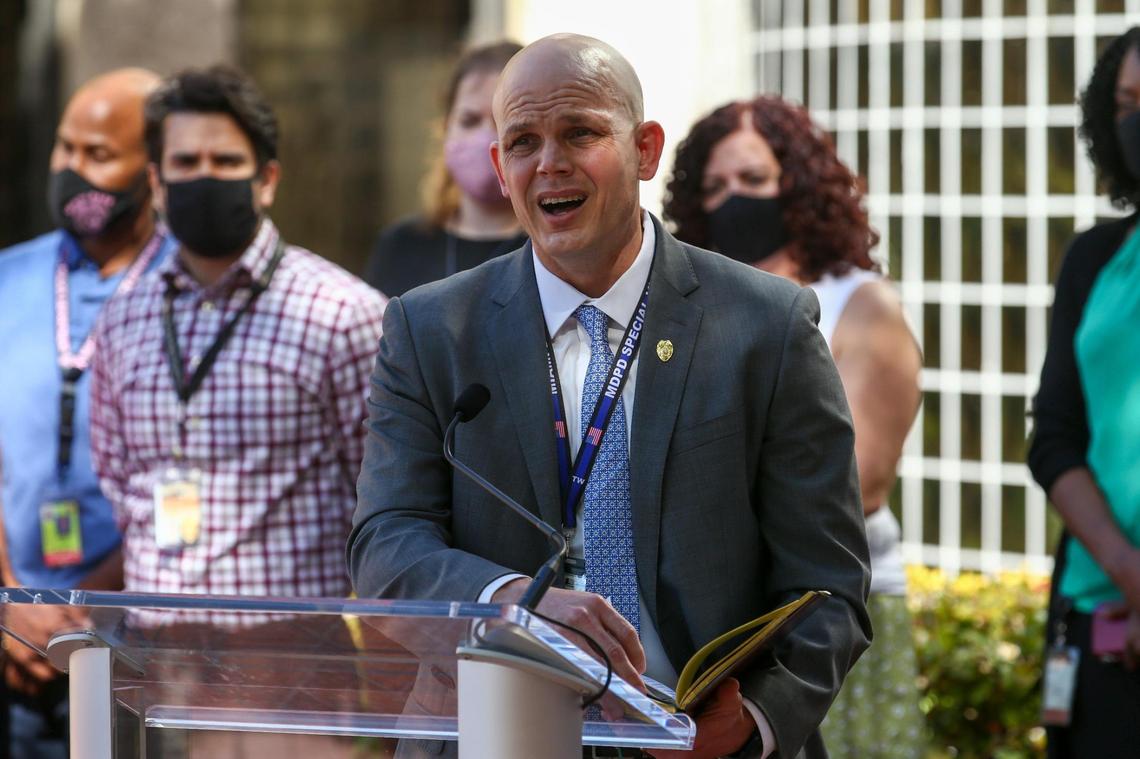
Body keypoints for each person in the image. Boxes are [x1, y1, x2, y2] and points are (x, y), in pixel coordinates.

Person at [349, 34, 871, 759]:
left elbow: (831, 584)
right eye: (524, 142)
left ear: (646, 150)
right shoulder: (430, 327)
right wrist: (513, 606)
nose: (551, 163)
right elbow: (385, 545)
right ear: (500, 168)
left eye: (581, 132)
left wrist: (751, 717)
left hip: (699, 740)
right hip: (495, 731)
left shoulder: (766, 324)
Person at [664, 95, 925, 758]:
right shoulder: (688, 308)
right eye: (715, 186)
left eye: (754, 180)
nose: (735, 200)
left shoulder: (859, 304)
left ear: (800, 184)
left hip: (832, 620)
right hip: (725, 627)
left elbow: (858, 482)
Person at [89, 64, 386, 599]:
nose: (204, 176)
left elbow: (382, 498)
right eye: (185, 162)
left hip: (294, 655)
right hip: (156, 649)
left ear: (266, 180)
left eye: (225, 161)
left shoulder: (342, 314)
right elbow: (117, 478)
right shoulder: (122, 319)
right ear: (156, 184)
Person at [0, 67, 175, 759]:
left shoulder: (192, 295)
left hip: (142, 656)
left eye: (98, 155)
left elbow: (191, 480)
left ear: (154, 172)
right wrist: (14, 604)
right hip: (12, 644)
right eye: (63, 148)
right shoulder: (9, 276)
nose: (72, 170)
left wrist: (76, 610)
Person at [1029, 26, 1140, 758]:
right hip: (1098, 623)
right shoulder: (1095, 258)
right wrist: (1133, 575)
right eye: (1127, 103)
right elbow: (1055, 438)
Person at [364, 41, 526, 296]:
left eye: (501, 121)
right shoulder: (401, 245)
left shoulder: (551, 253)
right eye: (469, 120)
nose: (486, 138)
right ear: (445, 128)